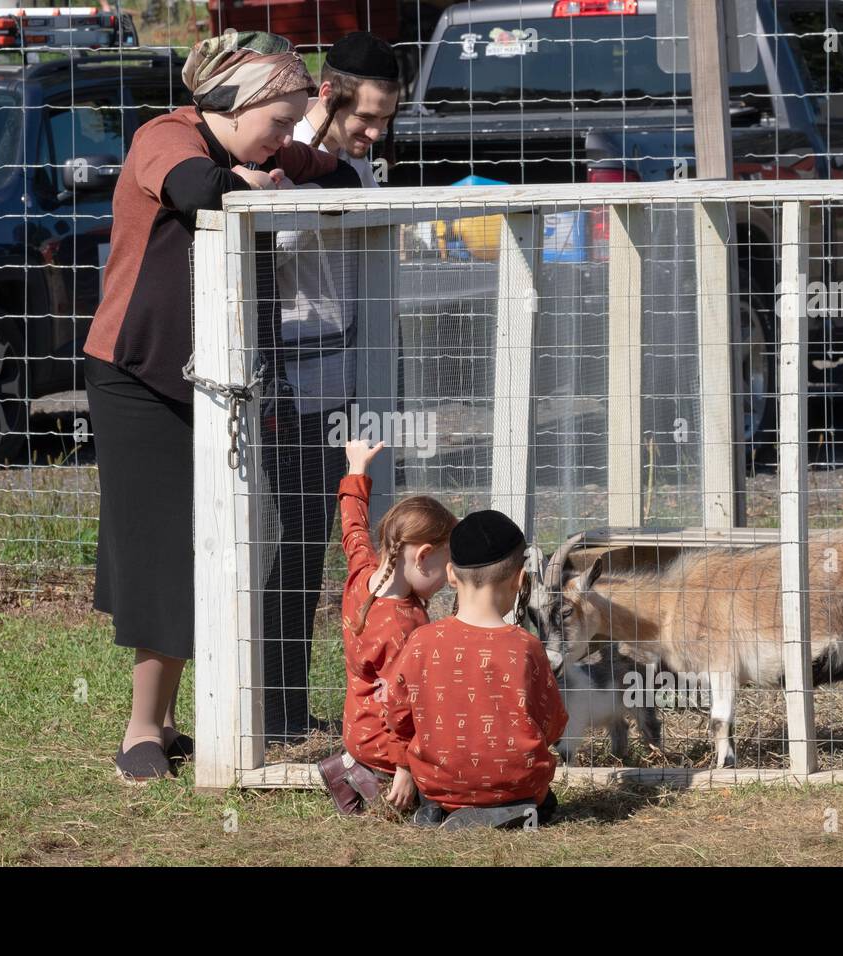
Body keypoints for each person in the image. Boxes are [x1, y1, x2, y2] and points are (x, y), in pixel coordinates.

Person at [83, 30, 355, 784]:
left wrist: (311, 169)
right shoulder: (163, 138)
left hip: (215, 376)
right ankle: (143, 730)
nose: (283, 139)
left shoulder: (262, 149)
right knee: (165, 545)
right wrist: (257, 187)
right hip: (138, 376)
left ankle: (177, 719)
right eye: (278, 122)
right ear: (238, 102)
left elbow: (338, 170)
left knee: (221, 540)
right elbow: (200, 190)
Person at [262, 32, 404, 741]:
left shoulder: (354, 165)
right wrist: (321, 166)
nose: (376, 133)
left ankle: (289, 706)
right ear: (328, 94)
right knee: (290, 545)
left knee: (321, 542)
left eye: (386, 121)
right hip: (290, 382)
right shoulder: (286, 161)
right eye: (366, 119)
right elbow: (274, 242)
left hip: (343, 378)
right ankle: (274, 709)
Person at [383, 510, 569, 829]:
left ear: (452, 575)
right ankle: (505, 811)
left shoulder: (421, 641)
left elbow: (396, 713)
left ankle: (439, 808)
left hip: (438, 783)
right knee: (545, 804)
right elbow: (551, 722)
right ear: (520, 579)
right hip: (516, 786)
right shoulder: (527, 648)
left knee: (440, 787)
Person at [317, 440, 457, 814]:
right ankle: (372, 777)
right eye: (447, 567)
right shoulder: (401, 626)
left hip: (357, 729)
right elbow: (401, 705)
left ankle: (352, 764)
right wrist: (405, 767)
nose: (449, 578)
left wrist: (357, 470)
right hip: (385, 742)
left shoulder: (363, 574)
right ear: (424, 556)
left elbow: (352, 528)